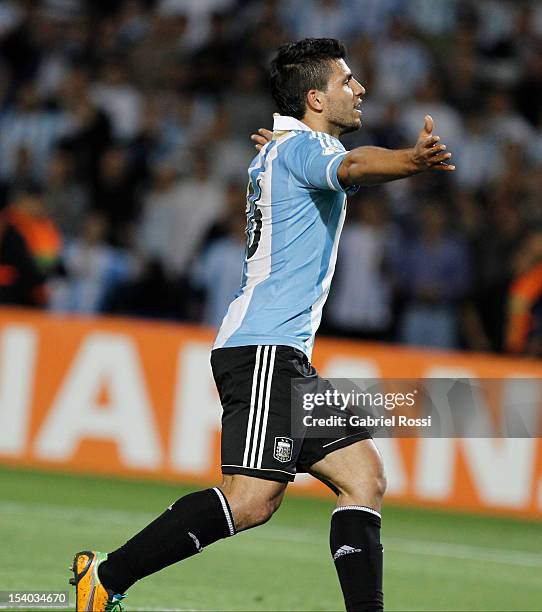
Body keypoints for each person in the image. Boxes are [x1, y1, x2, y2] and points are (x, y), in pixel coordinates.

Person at [70, 38, 454, 612]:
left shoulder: (287, 148)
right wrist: (409, 160)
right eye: (348, 81)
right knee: (250, 500)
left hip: (282, 354)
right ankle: (104, 579)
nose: (361, 89)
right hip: (263, 351)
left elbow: (321, 164)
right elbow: (350, 164)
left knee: (363, 478)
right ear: (316, 97)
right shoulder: (301, 150)